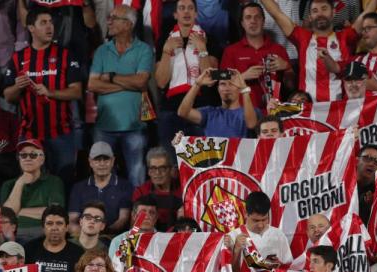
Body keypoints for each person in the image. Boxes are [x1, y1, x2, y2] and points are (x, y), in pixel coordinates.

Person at [1, 6, 82, 186]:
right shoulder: (18, 58)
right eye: (43, 23)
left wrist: (50, 92)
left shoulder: (65, 55)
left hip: (62, 133)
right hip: (30, 134)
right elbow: (8, 96)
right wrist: (17, 87)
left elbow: (76, 91)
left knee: (64, 182)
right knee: (30, 183)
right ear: (31, 28)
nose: (49, 27)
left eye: (51, 22)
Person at [88, 3, 152, 188]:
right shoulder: (102, 51)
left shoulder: (143, 50)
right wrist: (127, 85)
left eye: (114, 18)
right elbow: (93, 84)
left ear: (128, 24)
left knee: (136, 177)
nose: (109, 21)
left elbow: (141, 82)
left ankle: (137, 214)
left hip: (134, 126)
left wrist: (112, 77)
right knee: (103, 179)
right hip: (104, 126)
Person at [260, 0, 358, 102]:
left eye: (324, 9)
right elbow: (276, 14)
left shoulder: (346, 37)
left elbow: (368, 19)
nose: (320, 14)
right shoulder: (303, 38)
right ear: (310, 17)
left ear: (333, 12)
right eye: (315, 11)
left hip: (337, 108)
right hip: (307, 108)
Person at [153, 0, 217, 150]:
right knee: (172, 163)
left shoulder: (209, 39)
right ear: (175, 14)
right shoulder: (165, 40)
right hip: (171, 110)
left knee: (200, 162)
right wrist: (166, 51)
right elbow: (161, 82)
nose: (186, 12)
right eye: (182, 8)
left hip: (200, 109)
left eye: (190, 8)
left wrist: (202, 48)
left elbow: (210, 80)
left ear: (196, 13)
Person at [221, 3, 292, 112]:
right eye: (248, 17)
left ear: (263, 21)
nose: (253, 21)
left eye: (257, 17)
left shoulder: (278, 50)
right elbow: (223, 86)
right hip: (241, 114)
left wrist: (287, 67)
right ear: (242, 23)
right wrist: (243, 76)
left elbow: (291, 86)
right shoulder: (231, 51)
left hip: (273, 114)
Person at [1, 138, 65, 241]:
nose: (27, 158)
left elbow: (54, 214)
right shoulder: (9, 185)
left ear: (42, 159)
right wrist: (19, 183)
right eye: (23, 155)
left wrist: (18, 211)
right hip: (13, 233)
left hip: (41, 232)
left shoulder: (54, 181)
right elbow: (7, 216)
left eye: (33, 155)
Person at [24, 205, 85, 272]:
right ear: (43, 227)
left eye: (59, 223)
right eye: (49, 223)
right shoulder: (29, 249)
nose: (54, 228)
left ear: (66, 227)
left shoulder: (78, 253)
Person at [69, 141, 133, 234]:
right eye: (97, 160)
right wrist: (89, 236)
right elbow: (72, 220)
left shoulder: (125, 186)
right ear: (90, 162)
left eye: (106, 160)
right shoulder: (78, 188)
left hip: (113, 237)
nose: (102, 164)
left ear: (112, 161)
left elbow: (122, 220)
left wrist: (101, 235)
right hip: (83, 236)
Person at [177, 68, 258, 138]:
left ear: (239, 88)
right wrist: (197, 84)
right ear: (218, 89)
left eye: (232, 83)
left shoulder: (251, 112)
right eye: (223, 84)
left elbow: (251, 124)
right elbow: (183, 112)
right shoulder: (209, 113)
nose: (227, 88)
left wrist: (245, 89)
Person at [227, 191, 292, 268]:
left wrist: (278, 265)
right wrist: (236, 250)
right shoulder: (232, 237)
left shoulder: (278, 234)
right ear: (245, 214)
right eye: (256, 220)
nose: (261, 225)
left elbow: (288, 268)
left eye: (264, 219)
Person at [133, 147, 183, 230]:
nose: (157, 173)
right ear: (148, 171)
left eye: (162, 168)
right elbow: (135, 226)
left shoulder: (182, 190)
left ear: (171, 170)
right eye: (153, 168)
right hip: (148, 236)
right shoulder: (141, 192)